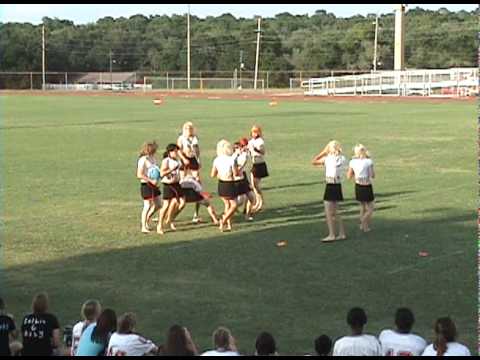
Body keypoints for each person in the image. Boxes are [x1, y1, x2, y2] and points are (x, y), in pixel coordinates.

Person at [312, 140, 347, 242]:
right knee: (336, 210)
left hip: (330, 185)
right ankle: (342, 233)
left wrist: (323, 152)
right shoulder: (342, 158)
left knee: (328, 210)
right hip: (338, 184)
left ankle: (332, 234)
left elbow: (314, 161)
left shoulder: (327, 159)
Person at [157, 144, 186, 235]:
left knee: (182, 203)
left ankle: (170, 219)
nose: (176, 153)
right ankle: (160, 225)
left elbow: (181, 169)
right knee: (166, 205)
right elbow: (162, 173)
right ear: (170, 152)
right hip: (168, 185)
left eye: (177, 151)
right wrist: (171, 170)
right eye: (174, 151)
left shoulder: (177, 160)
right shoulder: (166, 161)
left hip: (177, 184)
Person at [177, 121, 203, 224]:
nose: (189, 131)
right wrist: (183, 158)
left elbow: (197, 150)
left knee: (198, 182)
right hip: (184, 160)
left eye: (191, 129)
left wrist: (198, 159)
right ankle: (177, 204)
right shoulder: (181, 138)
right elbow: (178, 150)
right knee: (182, 182)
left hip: (193, 160)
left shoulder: (194, 138)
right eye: (187, 129)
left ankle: (196, 214)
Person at [211, 140, 239, 232]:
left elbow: (213, 174)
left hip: (221, 184)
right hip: (229, 184)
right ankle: (223, 220)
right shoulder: (231, 160)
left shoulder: (216, 160)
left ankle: (229, 225)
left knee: (227, 204)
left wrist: (220, 174)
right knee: (234, 205)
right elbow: (235, 173)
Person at [347, 144, 375, 232]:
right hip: (366, 186)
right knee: (370, 208)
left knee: (362, 206)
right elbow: (372, 175)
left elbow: (349, 176)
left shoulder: (352, 162)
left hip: (358, 185)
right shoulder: (368, 161)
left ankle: (365, 227)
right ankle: (363, 222)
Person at [137, 141, 161, 234]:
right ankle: (143, 226)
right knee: (147, 205)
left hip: (154, 185)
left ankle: (147, 219)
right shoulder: (143, 159)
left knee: (159, 204)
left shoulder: (153, 158)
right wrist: (151, 181)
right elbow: (139, 174)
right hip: (146, 185)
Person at [233, 138, 257, 221]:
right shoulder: (236, 157)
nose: (244, 147)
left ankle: (247, 215)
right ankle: (228, 212)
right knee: (240, 201)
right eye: (242, 146)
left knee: (251, 197)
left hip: (244, 177)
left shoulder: (246, 153)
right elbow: (236, 170)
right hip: (238, 178)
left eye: (244, 145)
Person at [248, 125, 269, 212]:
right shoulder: (251, 141)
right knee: (253, 185)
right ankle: (258, 202)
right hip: (254, 164)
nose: (254, 134)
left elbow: (262, 152)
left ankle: (260, 203)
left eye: (256, 132)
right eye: (253, 132)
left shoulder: (260, 142)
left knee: (256, 185)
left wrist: (255, 149)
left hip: (259, 164)